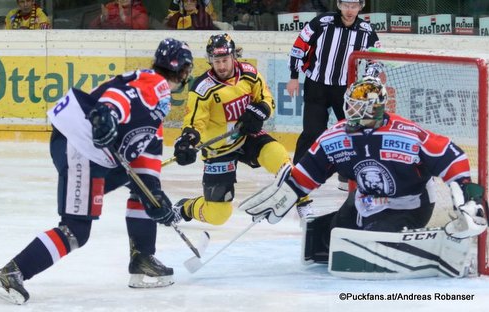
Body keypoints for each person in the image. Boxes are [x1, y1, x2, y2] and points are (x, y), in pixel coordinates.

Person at [0, 38, 193, 304]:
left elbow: (146, 157)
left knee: (144, 190)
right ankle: (12, 272)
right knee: (76, 230)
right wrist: (106, 114)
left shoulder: (155, 100)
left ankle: (143, 257)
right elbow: (120, 97)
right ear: (184, 70)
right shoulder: (155, 83)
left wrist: (155, 198)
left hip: (88, 149)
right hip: (81, 145)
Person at [243, 77, 487, 264]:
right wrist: (290, 190)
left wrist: (470, 194)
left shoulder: (406, 134)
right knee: (332, 239)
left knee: (373, 244)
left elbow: (451, 155)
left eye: (357, 108)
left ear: (374, 109)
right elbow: (311, 168)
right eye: (349, 106)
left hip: (409, 204)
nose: (349, 112)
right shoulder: (337, 135)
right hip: (364, 200)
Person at [171, 33, 312, 226]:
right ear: (210, 60)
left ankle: (304, 203)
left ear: (234, 56)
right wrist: (187, 141)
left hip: (247, 137)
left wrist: (260, 110)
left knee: (282, 160)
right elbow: (195, 123)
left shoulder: (249, 73)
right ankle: (185, 208)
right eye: (216, 60)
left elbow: (266, 99)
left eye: (225, 60)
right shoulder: (203, 89)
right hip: (218, 150)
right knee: (218, 215)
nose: (221, 66)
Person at [286, 0, 381, 191]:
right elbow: (299, 46)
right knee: (312, 132)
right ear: (339, 5)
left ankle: (347, 177)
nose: (349, 10)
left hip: (346, 91)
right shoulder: (321, 22)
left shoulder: (367, 30)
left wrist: (367, 82)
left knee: (352, 132)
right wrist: (294, 77)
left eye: (354, 6)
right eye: (346, 5)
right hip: (316, 86)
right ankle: (298, 174)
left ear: (360, 7)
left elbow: (376, 59)